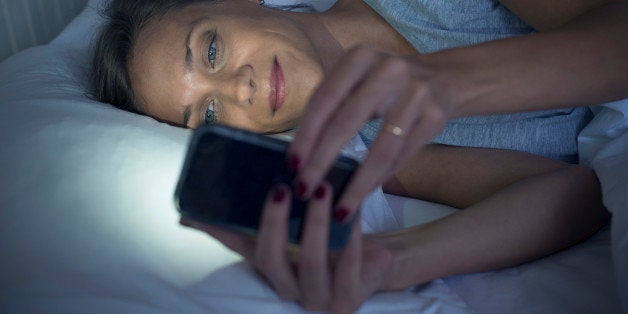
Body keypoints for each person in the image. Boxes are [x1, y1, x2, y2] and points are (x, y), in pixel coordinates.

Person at [92, 0, 626, 312]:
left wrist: (455, 83)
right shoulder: (379, 150)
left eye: (211, 50)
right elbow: (574, 194)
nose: (239, 87)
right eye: (207, 114)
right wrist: (391, 261)